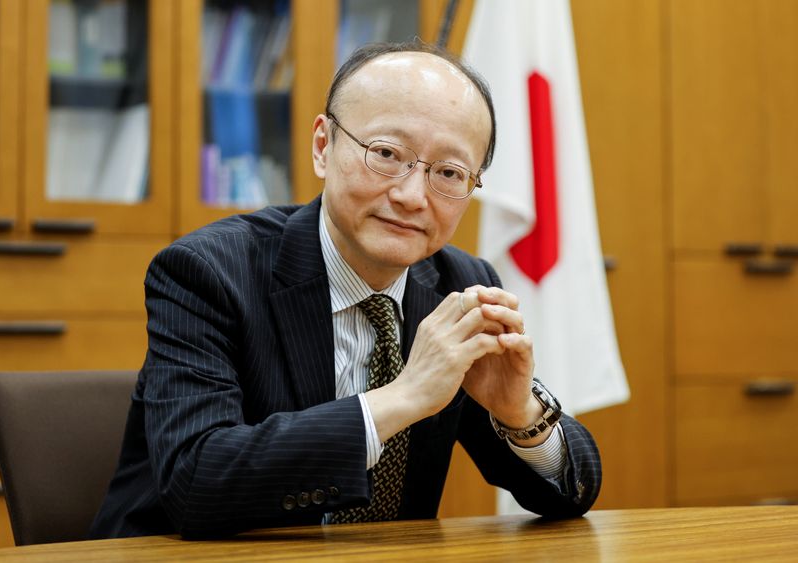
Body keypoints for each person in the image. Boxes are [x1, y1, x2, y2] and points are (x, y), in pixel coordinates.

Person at [91, 41, 601, 539]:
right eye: (386, 154)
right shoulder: (209, 272)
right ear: (322, 147)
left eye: (448, 172)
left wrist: (520, 417)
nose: (410, 196)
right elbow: (196, 482)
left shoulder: (461, 286)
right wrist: (403, 397)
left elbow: (569, 495)